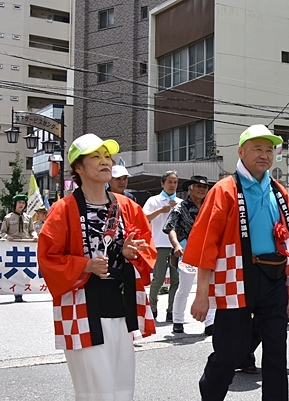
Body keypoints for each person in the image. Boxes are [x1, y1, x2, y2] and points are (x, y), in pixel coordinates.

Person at [184, 124, 289, 401]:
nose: (264, 155)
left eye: (269, 149)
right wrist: (202, 294)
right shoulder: (225, 189)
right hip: (237, 278)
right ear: (241, 152)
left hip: (273, 277)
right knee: (230, 352)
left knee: (276, 351)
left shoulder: (279, 191)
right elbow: (206, 245)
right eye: (257, 149)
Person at [37, 133, 156, 401]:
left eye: (107, 157)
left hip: (121, 303)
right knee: (95, 390)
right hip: (83, 306)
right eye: (96, 157)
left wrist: (130, 253)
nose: (105, 162)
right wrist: (86, 265)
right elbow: (48, 258)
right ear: (78, 167)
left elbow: (146, 247)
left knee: (123, 387)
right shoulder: (63, 209)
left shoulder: (126, 206)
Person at [164, 175, 215, 335]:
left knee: (210, 286)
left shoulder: (211, 206)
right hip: (188, 249)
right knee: (184, 287)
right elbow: (170, 227)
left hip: (208, 250)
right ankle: (178, 321)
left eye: (205, 187)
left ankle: (210, 323)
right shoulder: (181, 207)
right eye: (198, 186)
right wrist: (176, 245)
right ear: (190, 188)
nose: (202, 189)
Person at [143, 170, 182, 321]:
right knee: (158, 279)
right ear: (162, 184)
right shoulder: (154, 201)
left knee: (176, 279)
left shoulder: (180, 202)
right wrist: (161, 210)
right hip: (159, 244)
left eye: (175, 182)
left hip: (176, 246)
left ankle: (171, 310)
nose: (172, 185)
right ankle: (152, 306)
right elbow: (144, 218)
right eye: (170, 182)